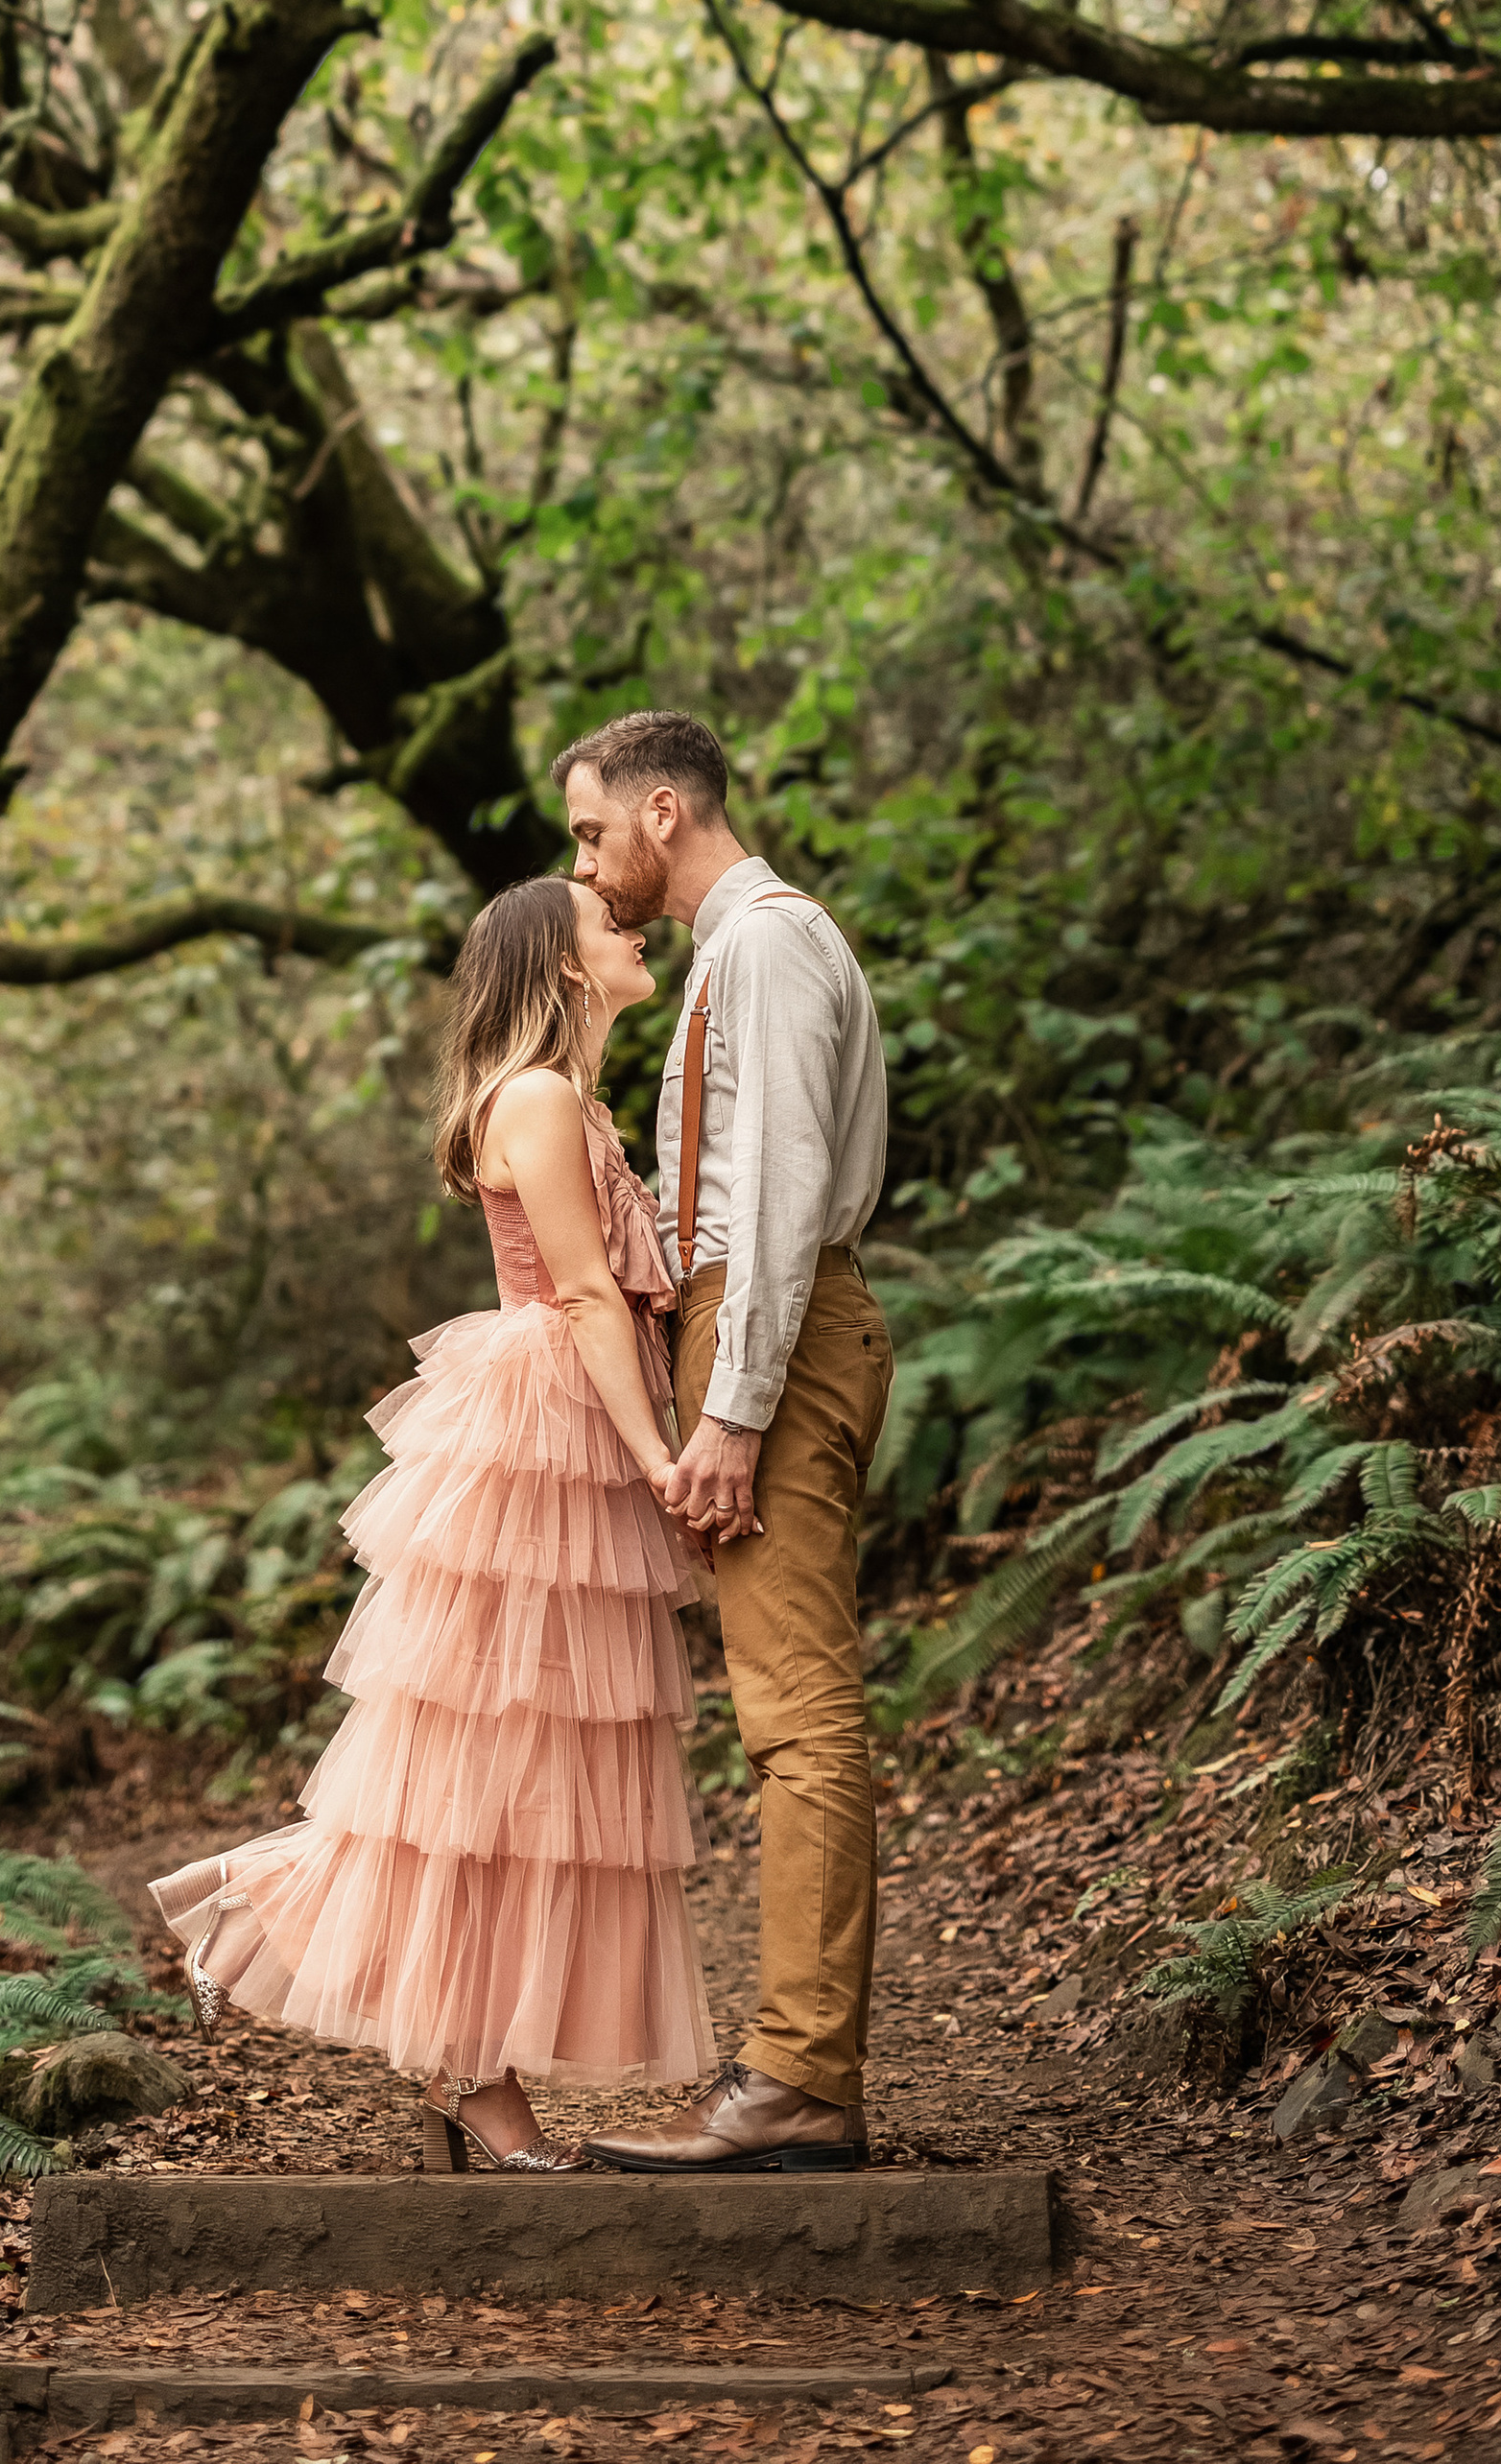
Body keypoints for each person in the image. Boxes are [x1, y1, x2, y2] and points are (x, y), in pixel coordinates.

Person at [149, 874, 714, 2170]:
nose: (629, 922)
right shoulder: (539, 1098)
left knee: (533, 1772)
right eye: (600, 920)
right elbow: (581, 1297)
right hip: (549, 1434)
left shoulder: (567, 1098)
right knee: (490, 1769)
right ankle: (401, 2007)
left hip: (568, 1427)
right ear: (563, 968)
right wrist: (659, 1454)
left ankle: (460, 2054)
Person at [560, 711, 892, 2173]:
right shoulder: (737, 954)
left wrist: (735, 1411)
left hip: (779, 1332)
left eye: (590, 832)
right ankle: (796, 2069)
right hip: (766, 1330)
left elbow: (771, 1195)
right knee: (780, 1707)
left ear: (662, 809)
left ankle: (803, 2079)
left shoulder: (759, 948)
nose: (587, 862)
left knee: (799, 1711)